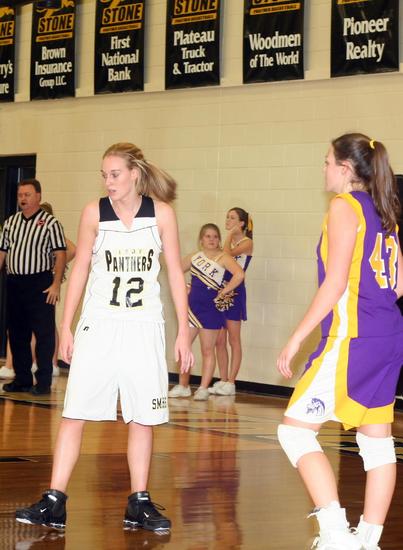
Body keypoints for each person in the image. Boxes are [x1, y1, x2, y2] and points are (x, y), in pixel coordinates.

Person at [14, 142, 193, 532]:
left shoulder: (161, 214)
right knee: (74, 413)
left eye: (114, 174)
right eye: (104, 175)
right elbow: (79, 268)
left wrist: (184, 328)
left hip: (144, 325)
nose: (108, 181)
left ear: (134, 175)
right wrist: (66, 325)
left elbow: (175, 273)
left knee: (142, 418)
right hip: (99, 323)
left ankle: (139, 502)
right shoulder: (94, 212)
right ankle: (55, 500)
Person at [276, 133, 403, 550]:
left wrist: (296, 339)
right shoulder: (385, 212)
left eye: (328, 161)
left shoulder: (344, 207)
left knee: (295, 433)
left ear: (346, 169)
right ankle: (367, 540)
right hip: (388, 336)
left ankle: (334, 533)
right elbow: (399, 285)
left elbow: (333, 285)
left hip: (355, 337)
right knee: (377, 442)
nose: (324, 168)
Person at [0, 179, 66, 395]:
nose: (23, 199)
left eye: (27, 195)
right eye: (20, 195)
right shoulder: (10, 223)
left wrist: (55, 284)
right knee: (17, 333)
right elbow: (2, 253)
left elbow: (60, 254)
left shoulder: (50, 223)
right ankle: (22, 379)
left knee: (43, 333)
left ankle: (43, 382)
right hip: (15, 283)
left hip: (40, 283)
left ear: (38, 196)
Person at [168, 223, 244, 401]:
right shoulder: (195, 257)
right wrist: (185, 287)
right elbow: (175, 271)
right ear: (201, 239)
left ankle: (203, 387)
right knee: (184, 347)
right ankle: (183, 386)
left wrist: (224, 291)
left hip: (211, 309)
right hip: (192, 308)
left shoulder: (224, 257)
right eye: (208, 236)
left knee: (207, 350)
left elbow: (239, 275)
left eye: (215, 236)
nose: (212, 239)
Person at [211, 208, 253, 396]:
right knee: (219, 340)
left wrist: (228, 235)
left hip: (235, 292)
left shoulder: (247, 242)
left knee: (233, 339)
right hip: (221, 291)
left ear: (242, 223)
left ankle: (231, 382)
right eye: (227, 217)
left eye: (232, 218)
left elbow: (226, 255)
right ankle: (222, 379)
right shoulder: (227, 244)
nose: (227, 220)